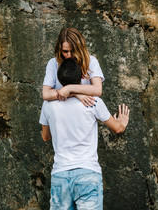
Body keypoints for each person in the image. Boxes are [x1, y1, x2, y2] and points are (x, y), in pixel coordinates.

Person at [39, 59, 130, 210]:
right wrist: (123, 122)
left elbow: (45, 137)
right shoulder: (93, 102)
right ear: (82, 78)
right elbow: (117, 129)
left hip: (60, 174)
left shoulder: (48, 105)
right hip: (87, 173)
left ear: (58, 78)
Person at [42, 27, 104, 107]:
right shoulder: (53, 63)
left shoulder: (91, 61)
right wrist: (76, 94)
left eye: (73, 51)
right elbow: (46, 94)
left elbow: (97, 90)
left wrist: (69, 89)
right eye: (65, 51)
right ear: (59, 49)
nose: (69, 55)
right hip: (61, 110)